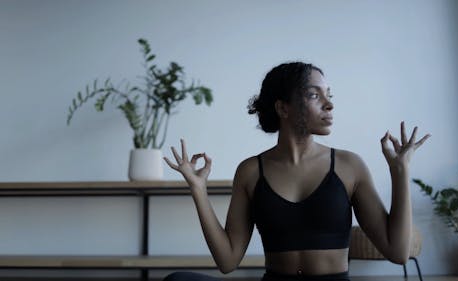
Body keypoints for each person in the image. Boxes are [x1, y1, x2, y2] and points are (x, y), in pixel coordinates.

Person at [162, 62, 430, 281]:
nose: (329, 104)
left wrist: (400, 170)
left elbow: (398, 252)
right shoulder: (251, 171)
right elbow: (228, 261)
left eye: (329, 95)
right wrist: (198, 189)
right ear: (283, 108)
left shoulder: (350, 166)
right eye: (315, 95)